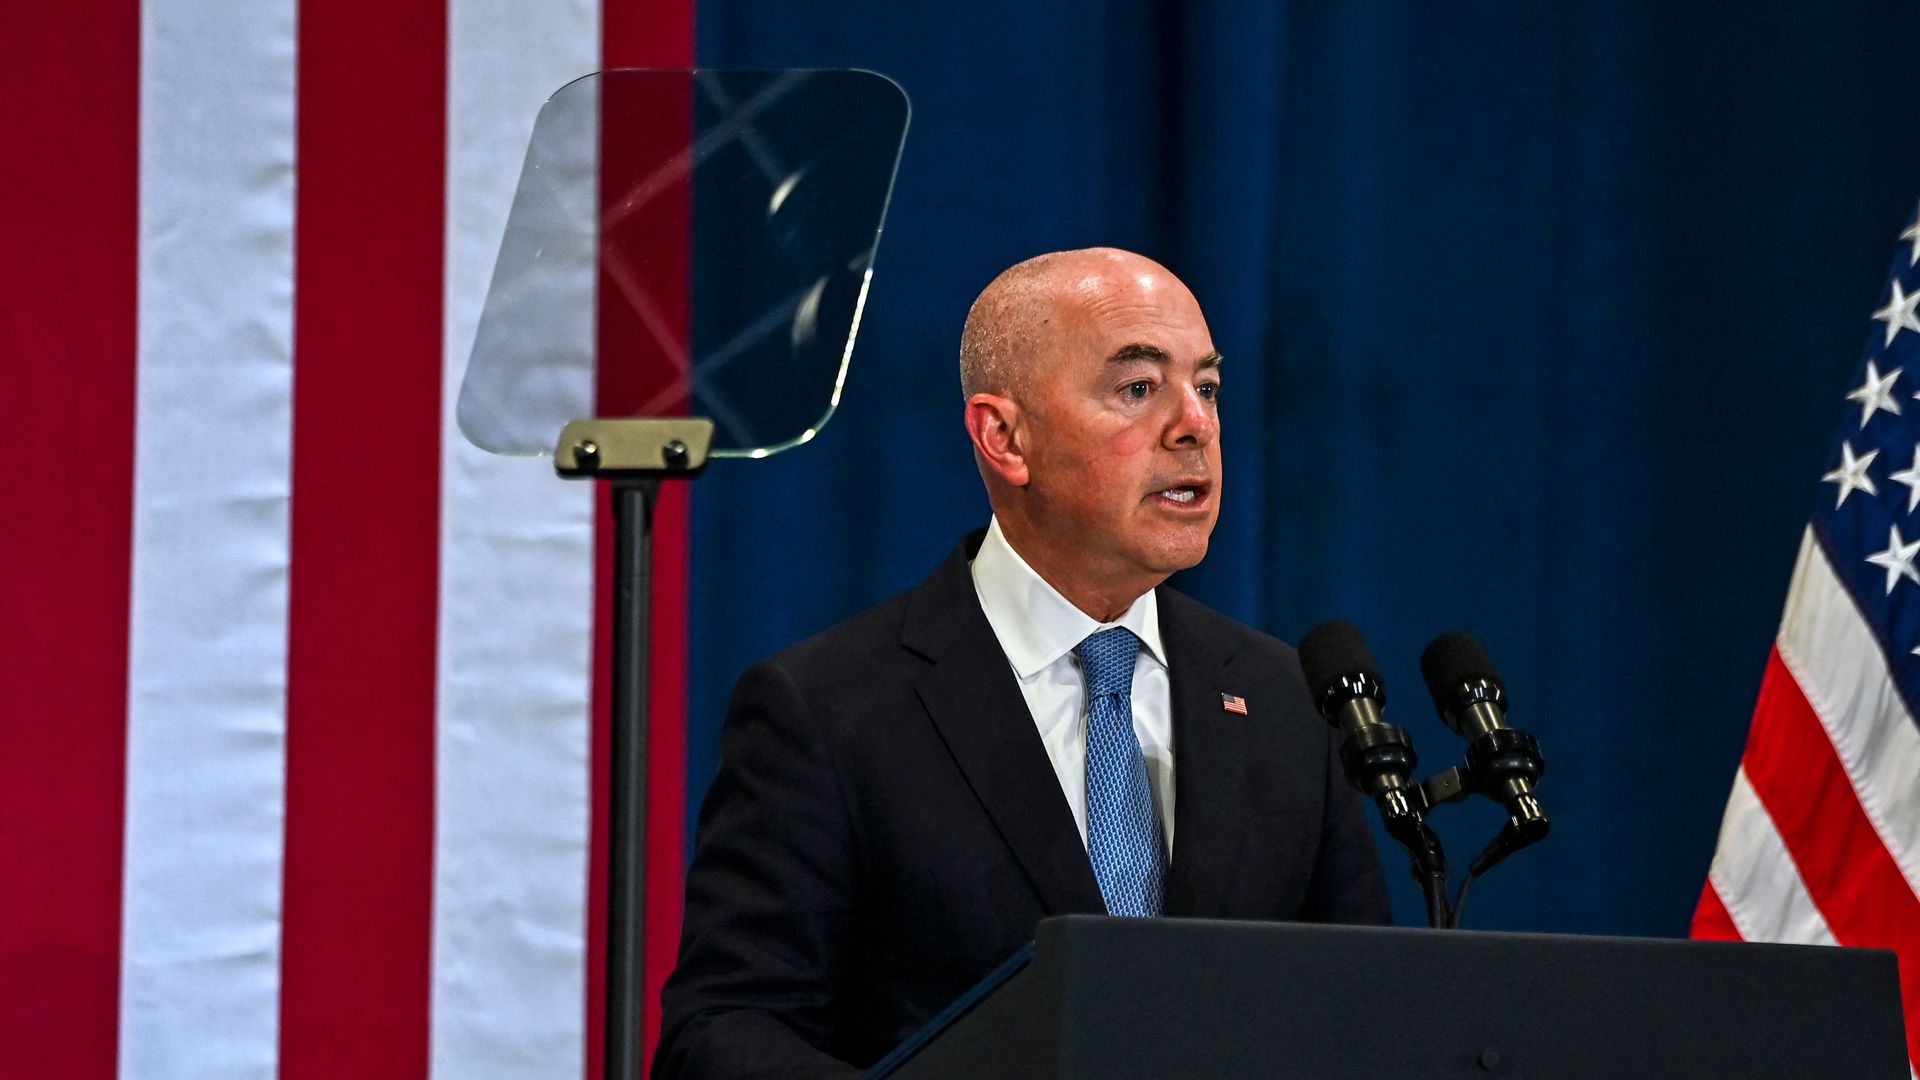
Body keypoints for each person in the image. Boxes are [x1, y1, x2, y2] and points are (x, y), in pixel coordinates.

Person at [653, 248, 1389, 1078]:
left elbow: (1360, 1012)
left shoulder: (1285, 698)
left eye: (1207, 386)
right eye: (1139, 388)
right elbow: (722, 1034)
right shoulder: (826, 711)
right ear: (1004, 437)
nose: (1196, 425)